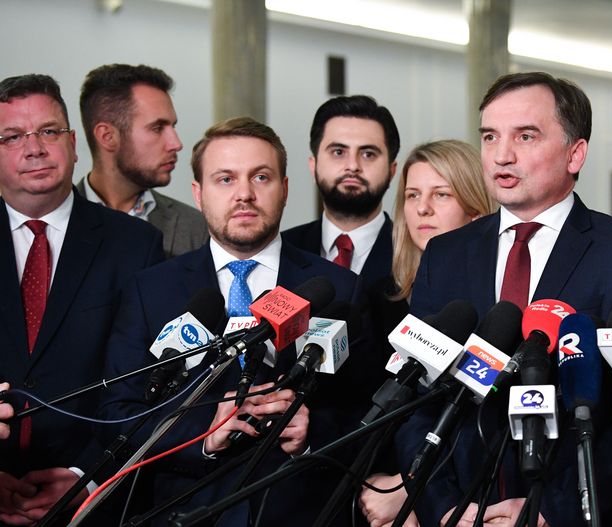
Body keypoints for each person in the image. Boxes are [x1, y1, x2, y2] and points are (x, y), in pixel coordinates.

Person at [401, 71, 612, 526]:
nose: (501, 155)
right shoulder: (444, 255)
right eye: (490, 137)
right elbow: (415, 400)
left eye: (525, 136)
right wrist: (444, 507)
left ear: (575, 153)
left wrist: (552, 511)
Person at [99, 117, 360, 526]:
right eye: (225, 179)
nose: (244, 194)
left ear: (285, 188)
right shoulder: (151, 290)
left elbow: (366, 410)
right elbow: (119, 411)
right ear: (198, 193)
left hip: (296, 512)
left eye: (261, 177)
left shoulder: (339, 289)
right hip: (180, 510)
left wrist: (311, 435)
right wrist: (202, 434)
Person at [0, 74, 164, 525]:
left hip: (92, 501)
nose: (35, 148)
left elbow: (148, 383)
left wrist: (87, 477)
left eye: (49, 131)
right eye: (13, 136)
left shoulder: (135, 245)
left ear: (74, 144)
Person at [357, 139, 495, 527]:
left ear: (475, 207)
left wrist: (411, 488)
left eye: (441, 194)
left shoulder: (493, 300)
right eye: (412, 195)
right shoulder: (379, 296)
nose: (422, 208)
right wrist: (382, 482)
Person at [77, 63, 208, 257]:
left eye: (172, 127)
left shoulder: (197, 228)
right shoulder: (52, 223)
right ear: (107, 137)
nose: (176, 144)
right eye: (157, 128)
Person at [283, 94, 398, 292]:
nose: (352, 166)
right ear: (313, 166)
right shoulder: (281, 249)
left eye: (368, 154)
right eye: (338, 152)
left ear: (392, 171)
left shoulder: (418, 255)